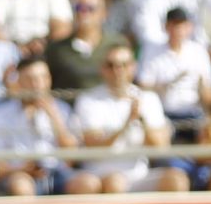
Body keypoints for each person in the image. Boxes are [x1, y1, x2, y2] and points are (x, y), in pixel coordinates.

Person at [69, 41, 187, 192]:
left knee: (177, 180)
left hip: (138, 175)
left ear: (133, 67)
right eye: (111, 65)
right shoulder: (89, 100)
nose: (118, 71)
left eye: (124, 65)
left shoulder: (149, 99)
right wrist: (126, 124)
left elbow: (160, 148)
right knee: (115, 182)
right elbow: (96, 146)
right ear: (102, 69)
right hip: (100, 174)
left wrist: (142, 119)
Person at [0, 54, 84, 195]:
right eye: (31, 79)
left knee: (86, 183)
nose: (38, 85)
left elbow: (73, 155)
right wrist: (22, 169)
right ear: (19, 82)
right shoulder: (1, 114)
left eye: (44, 78)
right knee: (21, 186)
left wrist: (53, 116)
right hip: (19, 175)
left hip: (57, 173)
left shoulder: (62, 109)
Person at [135, 3, 210, 145]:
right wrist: (167, 85)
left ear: (189, 27)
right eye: (174, 24)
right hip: (164, 114)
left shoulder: (199, 51)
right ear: (166, 26)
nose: (178, 30)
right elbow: (143, 86)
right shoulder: (151, 51)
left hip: (194, 113)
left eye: (181, 25)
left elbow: (207, 86)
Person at [42, 0, 124, 92]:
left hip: (107, 106)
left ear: (104, 13)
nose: (83, 13)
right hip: (68, 106)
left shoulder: (117, 44)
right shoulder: (56, 49)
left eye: (90, 9)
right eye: (79, 8)